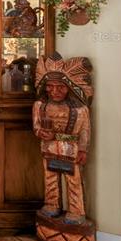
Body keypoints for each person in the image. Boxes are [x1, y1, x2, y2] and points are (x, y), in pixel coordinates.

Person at [32, 54, 93, 225]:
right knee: (50, 178)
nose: (55, 91)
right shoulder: (40, 106)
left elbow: (85, 131)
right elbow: (36, 126)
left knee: (73, 181)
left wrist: (83, 149)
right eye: (50, 87)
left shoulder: (80, 110)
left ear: (70, 88)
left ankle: (76, 210)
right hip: (49, 150)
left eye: (60, 87)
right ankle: (52, 204)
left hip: (70, 151)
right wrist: (41, 133)